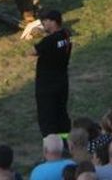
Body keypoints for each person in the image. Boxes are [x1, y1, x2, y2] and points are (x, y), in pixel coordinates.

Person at [31, 9, 72, 137]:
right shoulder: (65, 35)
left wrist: (33, 37)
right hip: (62, 82)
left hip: (46, 86)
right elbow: (56, 40)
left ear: (53, 22)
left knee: (47, 117)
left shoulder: (48, 41)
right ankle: (65, 141)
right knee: (61, 113)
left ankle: (50, 145)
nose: (43, 23)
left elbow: (33, 51)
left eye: (45, 21)